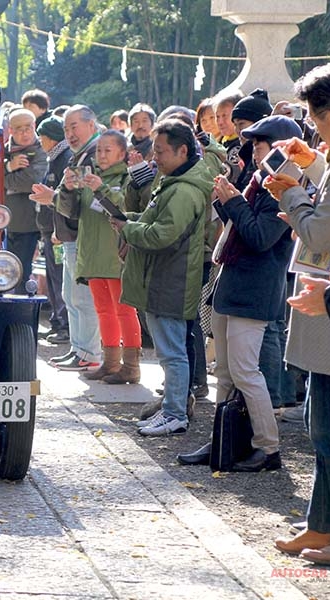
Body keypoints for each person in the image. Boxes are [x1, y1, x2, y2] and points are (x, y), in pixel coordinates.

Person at [264, 62, 330, 566]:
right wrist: (314, 170)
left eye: (316, 121)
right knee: (322, 423)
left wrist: (291, 192)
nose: (312, 130)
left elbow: (321, 232)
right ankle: (324, 523)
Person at [177, 115, 300, 471]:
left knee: (246, 371)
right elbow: (240, 225)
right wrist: (226, 198)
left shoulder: (287, 185)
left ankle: (268, 447)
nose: (253, 147)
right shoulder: (260, 180)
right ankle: (224, 441)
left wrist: (232, 201)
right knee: (227, 373)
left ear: (280, 145)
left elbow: (261, 237)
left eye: (260, 142)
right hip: (233, 284)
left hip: (255, 289)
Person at [114, 119, 210, 436]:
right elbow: (155, 223)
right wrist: (130, 220)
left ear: (183, 151)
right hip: (164, 278)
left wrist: (128, 228)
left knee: (172, 353)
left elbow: (163, 235)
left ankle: (174, 414)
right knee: (169, 352)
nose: (155, 158)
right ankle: (171, 409)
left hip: (173, 279)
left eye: (161, 151)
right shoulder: (174, 183)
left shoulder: (184, 190)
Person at [57, 129, 140, 383]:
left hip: (116, 256)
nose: (101, 155)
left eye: (108, 150)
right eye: (99, 150)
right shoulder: (88, 177)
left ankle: (131, 366)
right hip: (92, 255)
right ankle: (110, 363)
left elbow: (124, 209)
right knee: (103, 310)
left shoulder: (128, 178)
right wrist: (68, 189)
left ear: (122, 153)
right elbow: (70, 211)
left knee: (124, 310)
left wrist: (101, 187)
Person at [50, 105, 103, 371]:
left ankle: (89, 352)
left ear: (91, 125)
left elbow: (79, 202)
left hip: (83, 237)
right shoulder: (78, 155)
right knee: (70, 296)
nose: (69, 133)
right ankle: (78, 348)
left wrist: (53, 198)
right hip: (71, 236)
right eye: (66, 128)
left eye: (74, 126)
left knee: (83, 298)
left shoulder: (93, 155)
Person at [32, 116, 69, 341]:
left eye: (41, 138)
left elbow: (63, 199)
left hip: (58, 231)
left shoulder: (64, 159)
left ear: (49, 138)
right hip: (49, 229)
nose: (40, 142)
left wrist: (57, 229)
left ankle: (64, 325)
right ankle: (58, 321)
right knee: (54, 277)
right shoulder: (54, 158)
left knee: (60, 278)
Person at [3, 108, 47, 294]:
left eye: (28, 127)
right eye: (19, 128)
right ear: (11, 130)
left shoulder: (41, 149)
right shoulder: (2, 150)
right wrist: (8, 166)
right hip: (1, 223)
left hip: (27, 224)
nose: (25, 133)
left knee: (21, 273)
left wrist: (3, 179)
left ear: (34, 126)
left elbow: (31, 181)